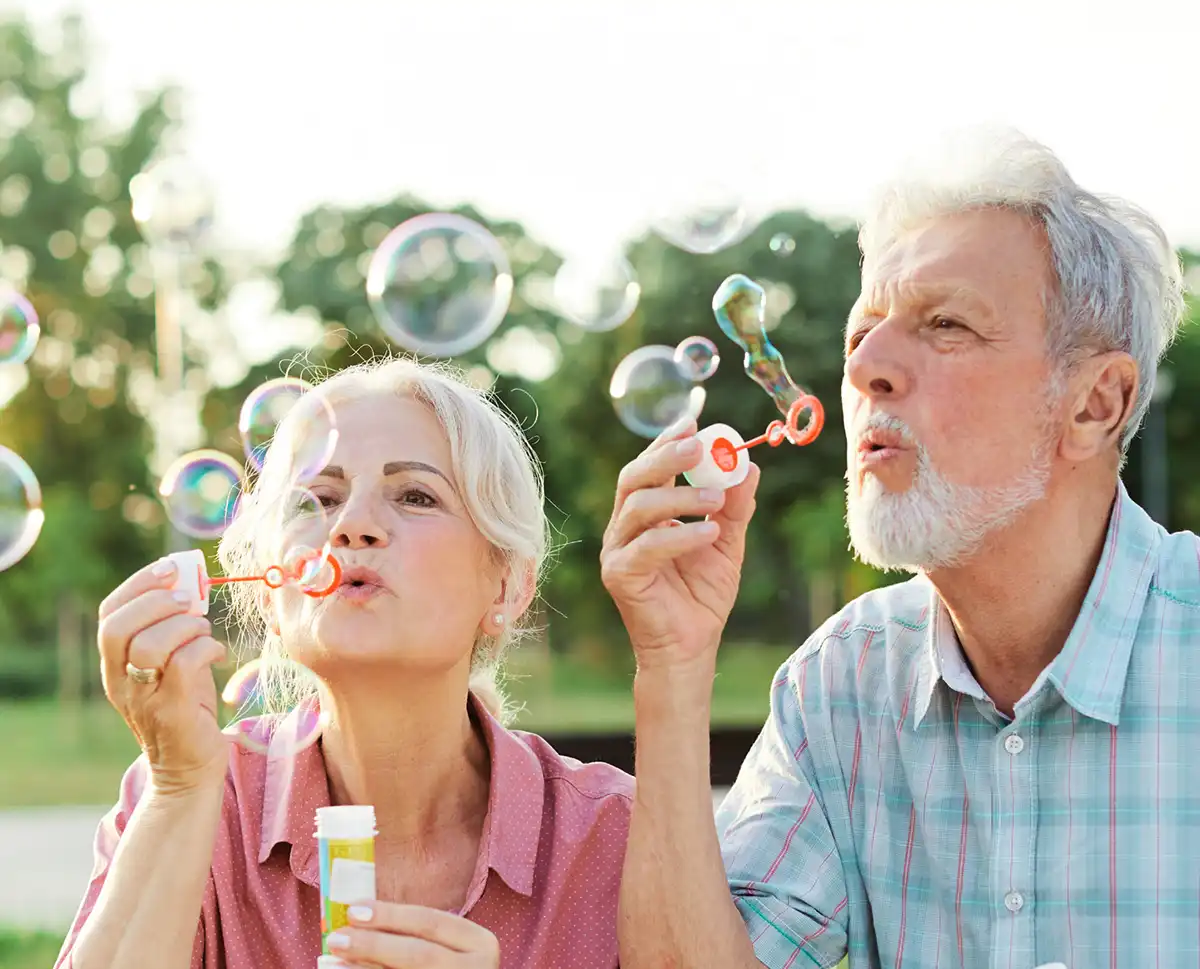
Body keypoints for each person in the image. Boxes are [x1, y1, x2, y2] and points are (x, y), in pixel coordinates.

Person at [603, 127, 1194, 969]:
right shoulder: (839, 685)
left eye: (945, 324)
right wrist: (670, 663)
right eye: (861, 334)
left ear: (1096, 403)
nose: (865, 367)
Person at [57, 357, 632, 969]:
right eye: (320, 498)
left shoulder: (608, 835)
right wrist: (177, 789)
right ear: (270, 597)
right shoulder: (192, 797)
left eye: (415, 495)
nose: (352, 524)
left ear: (509, 587)